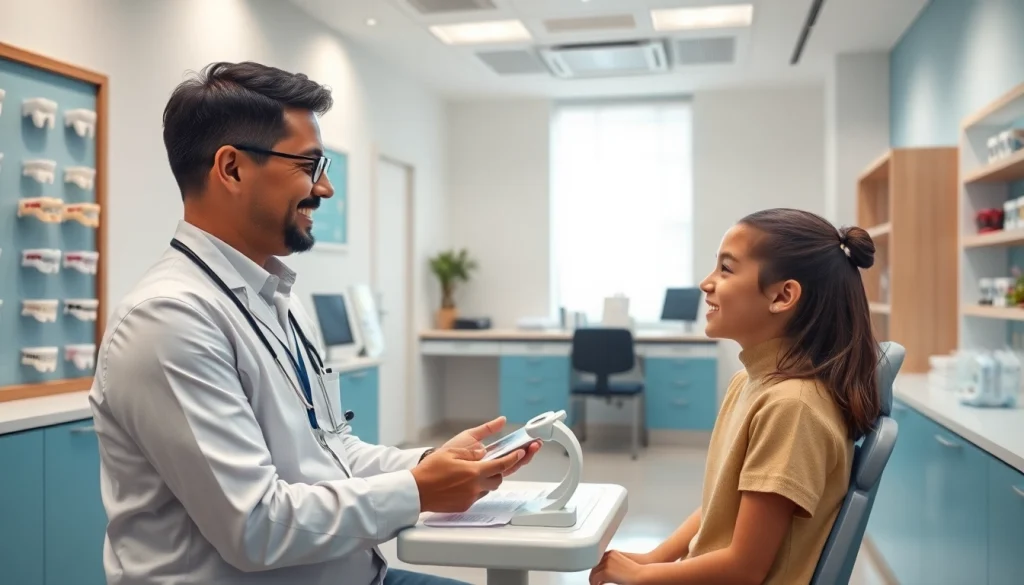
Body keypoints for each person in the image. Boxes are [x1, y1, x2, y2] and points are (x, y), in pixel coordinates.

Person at [87, 61, 540, 585]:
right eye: (309, 165)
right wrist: (418, 490)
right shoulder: (169, 320)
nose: (324, 189)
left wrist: (430, 462)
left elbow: (330, 448)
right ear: (231, 169)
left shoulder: (276, 297)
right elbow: (254, 524)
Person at [590, 208, 882, 585]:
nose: (705, 284)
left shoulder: (791, 407)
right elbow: (723, 509)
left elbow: (744, 569)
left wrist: (641, 578)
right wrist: (653, 558)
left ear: (782, 295)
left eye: (726, 269)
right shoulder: (749, 383)